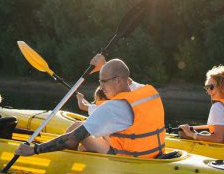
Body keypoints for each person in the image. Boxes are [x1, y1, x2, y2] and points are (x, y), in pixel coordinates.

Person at [16, 54, 166, 159]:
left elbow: (72, 138)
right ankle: (77, 154)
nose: (100, 87)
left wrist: (35, 149)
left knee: (77, 132)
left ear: (119, 81)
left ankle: (68, 161)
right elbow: (126, 76)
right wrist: (105, 64)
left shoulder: (113, 108)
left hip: (128, 159)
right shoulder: (145, 90)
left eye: (103, 81)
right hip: (153, 153)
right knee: (78, 124)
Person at [179, 64, 224, 144]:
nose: (208, 91)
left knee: (182, 133)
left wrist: (191, 134)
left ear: (222, 87)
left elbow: (218, 139)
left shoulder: (218, 107)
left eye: (211, 87)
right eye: (207, 87)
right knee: (204, 134)